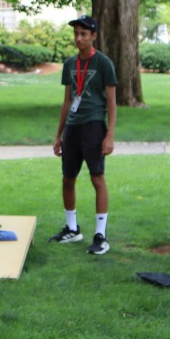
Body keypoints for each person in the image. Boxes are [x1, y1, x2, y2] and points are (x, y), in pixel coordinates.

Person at [50, 14, 117, 255]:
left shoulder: (104, 63)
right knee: (68, 178)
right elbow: (67, 101)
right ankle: (72, 228)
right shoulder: (70, 65)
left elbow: (112, 102)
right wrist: (59, 135)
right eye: (76, 34)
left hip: (94, 126)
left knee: (97, 178)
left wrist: (109, 135)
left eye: (83, 34)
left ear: (94, 36)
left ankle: (100, 235)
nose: (78, 38)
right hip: (73, 128)